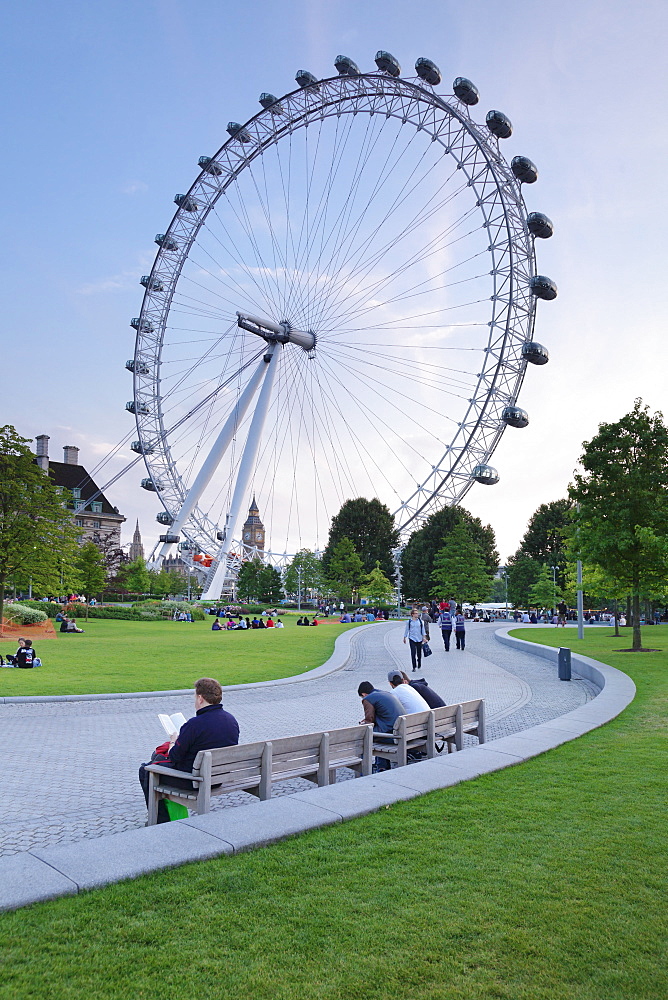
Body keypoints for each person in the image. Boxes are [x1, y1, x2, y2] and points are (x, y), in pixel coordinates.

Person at [139, 677, 240, 824]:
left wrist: (173, 740)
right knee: (156, 762)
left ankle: (161, 821)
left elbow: (174, 757)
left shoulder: (195, 724)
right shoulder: (231, 720)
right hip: (218, 777)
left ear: (200, 698)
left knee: (146, 770)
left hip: (195, 780)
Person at [357, 681, 404, 772]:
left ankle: (363, 769)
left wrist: (362, 724)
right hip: (402, 732)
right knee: (377, 732)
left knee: (364, 737)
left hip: (392, 735)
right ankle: (382, 766)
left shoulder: (368, 699)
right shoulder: (385, 693)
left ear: (363, 694)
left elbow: (369, 720)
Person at [403, 607, 427, 671]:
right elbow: (407, 630)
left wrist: (424, 638)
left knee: (419, 653)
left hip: (419, 639)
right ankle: (414, 666)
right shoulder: (409, 622)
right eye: (416, 613)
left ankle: (419, 662)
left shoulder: (421, 622)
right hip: (412, 638)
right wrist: (404, 637)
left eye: (417, 613)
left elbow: (423, 630)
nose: (417, 614)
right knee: (413, 653)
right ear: (412, 614)